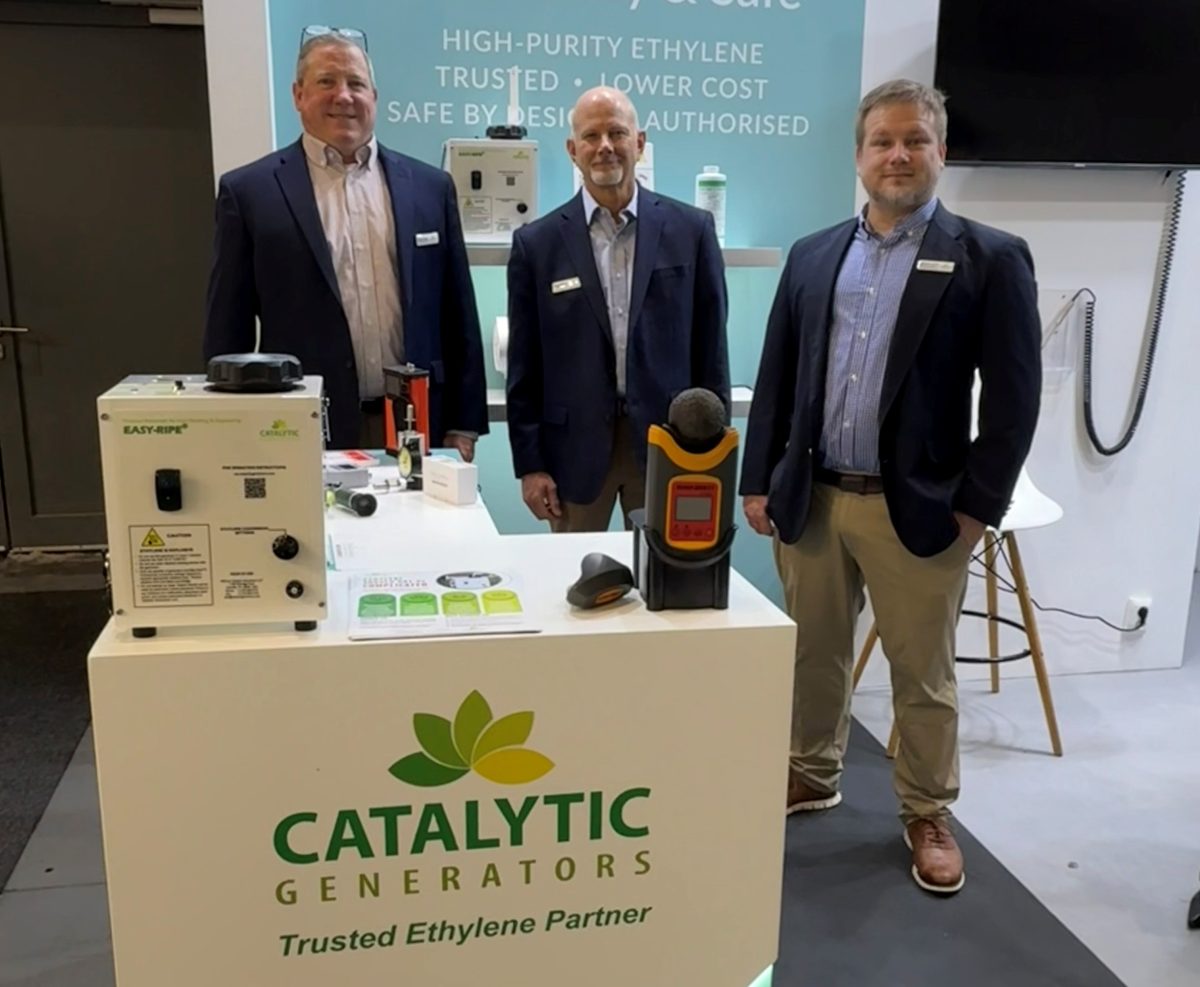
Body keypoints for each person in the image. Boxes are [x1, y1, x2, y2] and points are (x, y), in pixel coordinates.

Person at [739, 79, 1041, 895]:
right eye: (883, 141)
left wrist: (976, 508)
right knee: (814, 653)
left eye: (915, 140)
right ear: (859, 155)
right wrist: (758, 479)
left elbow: (1014, 402)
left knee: (923, 675)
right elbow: (777, 375)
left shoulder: (990, 258)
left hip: (921, 509)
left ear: (941, 152)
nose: (898, 155)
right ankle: (811, 769)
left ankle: (927, 809)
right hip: (813, 499)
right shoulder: (812, 255)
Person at [203, 30, 487, 454]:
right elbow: (229, 325)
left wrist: (465, 425)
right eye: (326, 82)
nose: (343, 96)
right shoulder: (249, 193)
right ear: (298, 95)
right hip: (299, 429)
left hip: (418, 423)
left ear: (374, 96)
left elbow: (458, 312)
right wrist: (231, 428)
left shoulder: (431, 188)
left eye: (356, 83)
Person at [505, 87, 730, 532]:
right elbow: (524, 368)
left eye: (617, 133)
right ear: (573, 150)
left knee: (666, 571)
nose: (604, 146)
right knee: (573, 573)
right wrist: (530, 465)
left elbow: (712, 351)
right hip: (573, 453)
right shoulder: (537, 245)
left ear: (639, 143)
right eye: (591, 136)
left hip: (671, 445)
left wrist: (710, 453)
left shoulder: (692, 231)